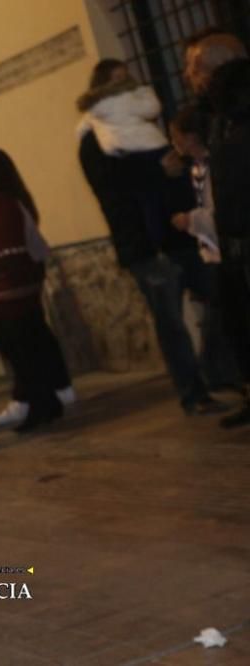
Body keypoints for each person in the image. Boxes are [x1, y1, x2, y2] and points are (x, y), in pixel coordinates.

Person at [78, 60, 227, 417]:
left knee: (218, 298)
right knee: (172, 323)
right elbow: (112, 193)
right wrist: (156, 173)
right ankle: (193, 393)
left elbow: (169, 181)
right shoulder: (94, 136)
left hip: (180, 235)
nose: (127, 84)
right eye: (117, 81)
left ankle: (217, 373)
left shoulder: (146, 129)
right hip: (145, 245)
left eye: (129, 77)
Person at [0, 149, 74, 431]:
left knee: (21, 352)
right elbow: (35, 245)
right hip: (26, 286)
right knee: (31, 344)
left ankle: (40, 405)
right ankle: (47, 401)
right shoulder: (16, 202)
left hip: (5, 292)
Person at [184, 30, 250, 428]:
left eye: (194, 68)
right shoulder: (213, 115)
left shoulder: (235, 113)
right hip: (231, 241)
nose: (188, 76)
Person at [168, 105, 243, 391]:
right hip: (210, 252)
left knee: (222, 324)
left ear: (191, 137)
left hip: (223, 252)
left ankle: (229, 380)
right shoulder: (195, 169)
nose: (173, 141)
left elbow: (219, 210)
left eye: (177, 136)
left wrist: (191, 220)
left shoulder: (214, 166)